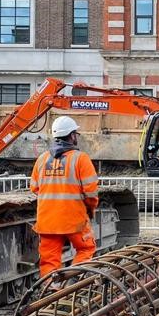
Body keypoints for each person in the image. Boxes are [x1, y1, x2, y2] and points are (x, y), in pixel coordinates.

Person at [30, 117, 100, 278]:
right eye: (75, 133)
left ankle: (51, 290)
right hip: (74, 219)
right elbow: (91, 192)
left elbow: (34, 187)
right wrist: (90, 210)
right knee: (86, 248)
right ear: (72, 135)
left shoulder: (42, 159)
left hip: (47, 220)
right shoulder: (80, 158)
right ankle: (72, 281)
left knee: (49, 260)